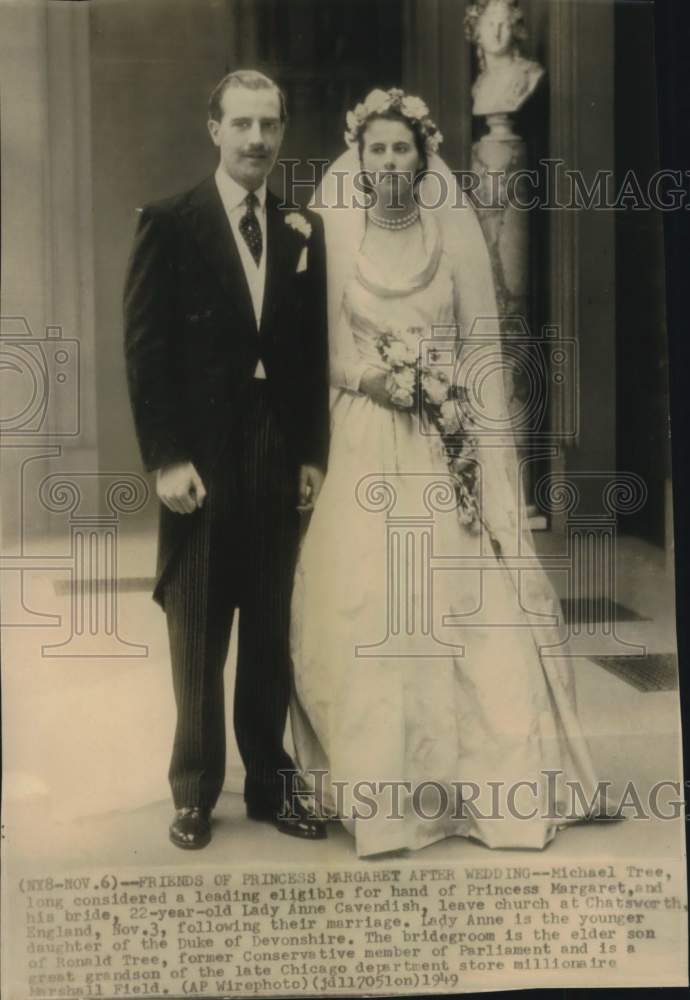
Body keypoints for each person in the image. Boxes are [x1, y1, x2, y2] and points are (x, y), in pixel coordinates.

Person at [289, 87, 600, 857]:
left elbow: (478, 347)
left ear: (423, 158)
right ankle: (381, 796)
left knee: (460, 605)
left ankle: (478, 786)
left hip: (440, 441)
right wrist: (376, 381)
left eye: (404, 149)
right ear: (358, 159)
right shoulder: (337, 237)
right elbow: (319, 351)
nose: (391, 162)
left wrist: (455, 406)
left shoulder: (449, 239)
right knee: (366, 604)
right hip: (364, 440)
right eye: (378, 149)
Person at [124, 70, 330, 849]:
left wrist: (311, 452)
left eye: (269, 125)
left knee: (271, 627)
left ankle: (271, 790)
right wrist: (167, 458)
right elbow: (145, 353)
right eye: (241, 124)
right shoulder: (170, 223)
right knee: (200, 628)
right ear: (213, 128)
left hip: (278, 452)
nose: (256, 141)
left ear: (281, 132)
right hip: (201, 457)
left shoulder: (300, 229)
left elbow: (307, 356)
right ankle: (193, 792)